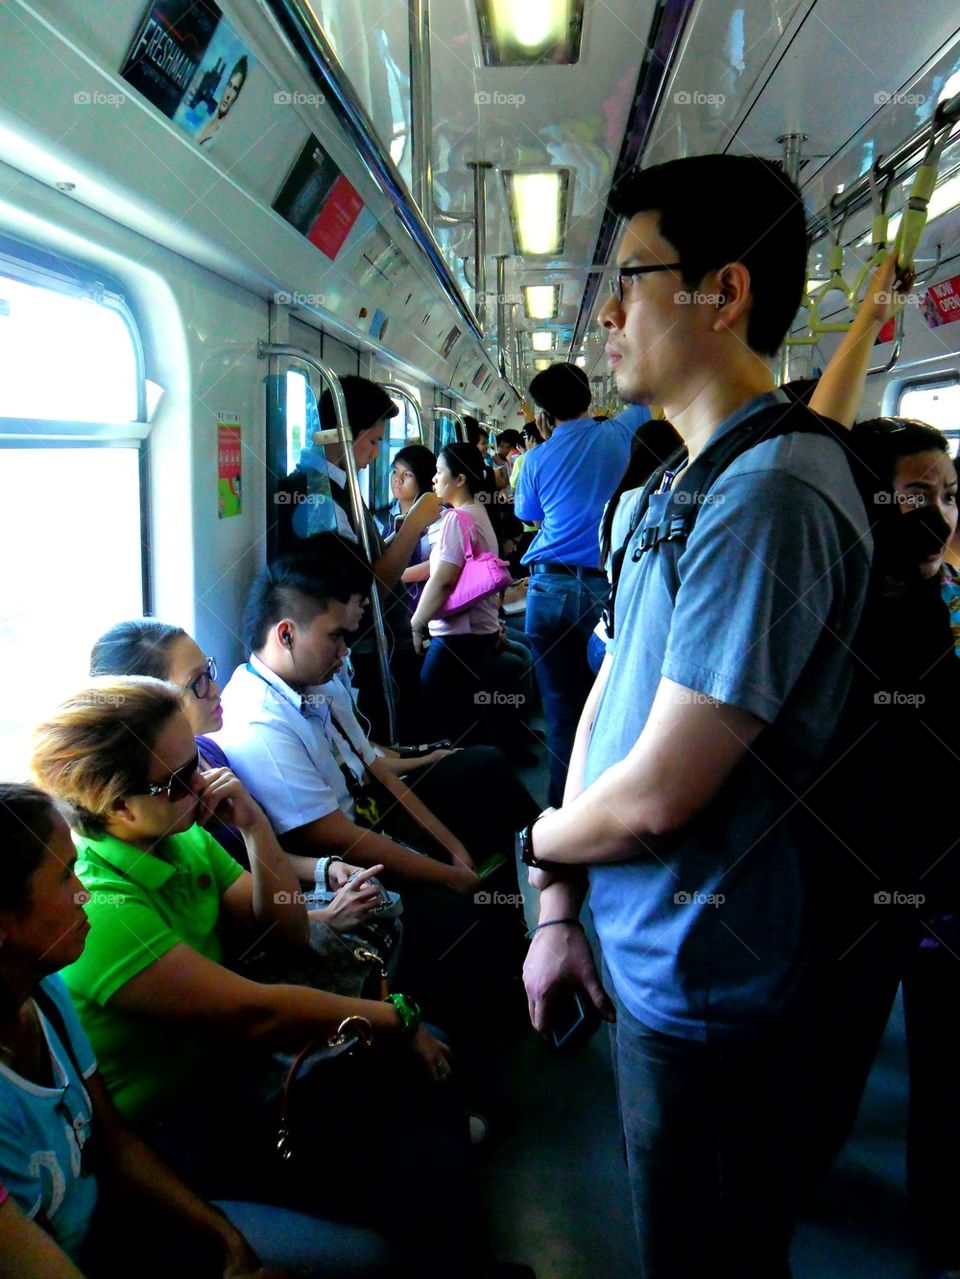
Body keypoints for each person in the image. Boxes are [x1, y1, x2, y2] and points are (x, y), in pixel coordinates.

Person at [521, 154, 872, 1278]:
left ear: (723, 293)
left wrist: (534, 846)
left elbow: (661, 794)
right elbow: (608, 707)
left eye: (632, 278)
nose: (609, 313)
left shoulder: (771, 493)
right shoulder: (672, 484)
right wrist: (560, 906)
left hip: (711, 973)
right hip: (644, 939)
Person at [0, 780, 389, 1277]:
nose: (82, 893)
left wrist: (224, 1237)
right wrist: (396, 1017)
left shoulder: (45, 994)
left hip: (131, 1212)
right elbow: (255, 1012)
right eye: (62, 878)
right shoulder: (107, 913)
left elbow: (113, 1144)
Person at [214, 547, 537, 1027]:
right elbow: (334, 836)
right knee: (458, 914)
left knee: (483, 768)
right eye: (337, 637)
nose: (346, 652)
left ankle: (531, 904)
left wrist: (451, 850)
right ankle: (497, 994)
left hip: (370, 811)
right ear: (286, 634)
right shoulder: (259, 720)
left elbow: (374, 767)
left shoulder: (316, 681)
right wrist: (444, 874)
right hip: (348, 850)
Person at [88, 620, 389, 956]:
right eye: (197, 682)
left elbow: (247, 864)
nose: (215, 689)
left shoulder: (208, 755)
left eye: (209, 671)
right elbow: (229, 924)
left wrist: (324, 867)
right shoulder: (165, 800)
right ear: (150, 701)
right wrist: (324, 918)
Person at [278, 375, 440, 740]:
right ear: (344, 434)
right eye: (375, 440)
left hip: (374, 650)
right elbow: (367, 590)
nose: (377, 453)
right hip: (359, 657)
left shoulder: (339, 488)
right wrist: (414, 523)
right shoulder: (318, 500)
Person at [513, 362, 642, 804]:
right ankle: (601, 808)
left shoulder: (534, 459)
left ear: (545, 416)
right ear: (590, 400)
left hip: (546, 592)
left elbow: (528, 516)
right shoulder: (619, 435)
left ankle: (559, 810)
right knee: (605, 707)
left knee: (561, 710)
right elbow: (645, 402)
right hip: (600, 592)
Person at [410, 443, 504, 746]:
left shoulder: (457, 519)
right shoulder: (478, 512)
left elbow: (442, 581)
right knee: (468, 715)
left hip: (457, 637)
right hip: (479, 633)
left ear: (460, 479)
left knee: (438, 713)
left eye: (439, 472)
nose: (434, 479)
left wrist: (416, 624)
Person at [377, 443, 440, 621]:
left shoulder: (437, 516)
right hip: (389, 606)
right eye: (395, 471)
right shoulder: (380, 518)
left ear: (423, 479)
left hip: (425, 605)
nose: (398, 479)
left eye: (408, 475)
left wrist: (392, 576)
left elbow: (437, 565)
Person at [195, 57, 248, 147]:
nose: (228, 95)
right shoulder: (208, 116)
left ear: (238, 95)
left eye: (235, 89)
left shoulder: (225, 131)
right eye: (229, 85)